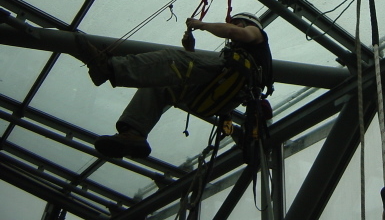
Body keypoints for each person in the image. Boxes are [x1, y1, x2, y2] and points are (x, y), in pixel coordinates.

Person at [72, 12, 272, 159]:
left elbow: (235, 33)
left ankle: (109, 67)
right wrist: (190, 50)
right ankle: (133, 133)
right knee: (160, 84)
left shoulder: (256, 34)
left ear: (248, 23)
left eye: (237, 23)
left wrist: (201, 24)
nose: (233, 27)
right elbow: (200, 73)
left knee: (171, 59)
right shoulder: (238, 58)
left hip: (229, 79)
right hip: (217, 94)